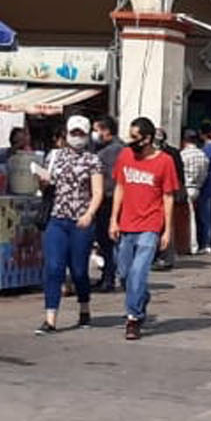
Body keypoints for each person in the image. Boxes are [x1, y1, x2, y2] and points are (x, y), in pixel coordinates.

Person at [110, 117, 179, 340]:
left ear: (148, 139)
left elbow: (168, 196)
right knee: (124, 273)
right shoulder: (125, 156)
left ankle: (133, 317)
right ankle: (141, 297)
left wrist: (167, 230)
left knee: (138, 273)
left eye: (136, 138)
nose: (132, 142)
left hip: (150, 224)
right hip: (127, 223)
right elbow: (120, 187)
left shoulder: (165, 162)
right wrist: (114, 218)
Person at [36, 115, 104, 335]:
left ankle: (84, 306)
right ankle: (50, 318)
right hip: (57, 218)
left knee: (78, 271)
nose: (76, 137)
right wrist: (43, 179)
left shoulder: (92, 160)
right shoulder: (55, 156)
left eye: (80, 134)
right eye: (72, 133)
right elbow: (46, 185)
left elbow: (98, 192)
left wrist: (89, 214)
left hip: (81, 222)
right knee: (54, 268)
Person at [92, 117, 123, 292]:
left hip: (108, 200)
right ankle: (107, 275)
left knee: (107, 241)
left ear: (106, 130)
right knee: (107, 242)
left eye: (97, 130)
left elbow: (110, 179)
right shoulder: (110, 149)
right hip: (109, 199)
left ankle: (109, 277)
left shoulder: (111, 151)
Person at [180, 129, 211, 257]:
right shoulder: (202, 155)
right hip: (197, 188)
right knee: (195, 217)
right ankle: (196, 244)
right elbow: (205, 174)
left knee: (189, 218)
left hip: (186, 187)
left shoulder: (183, 154)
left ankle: (192, 245)